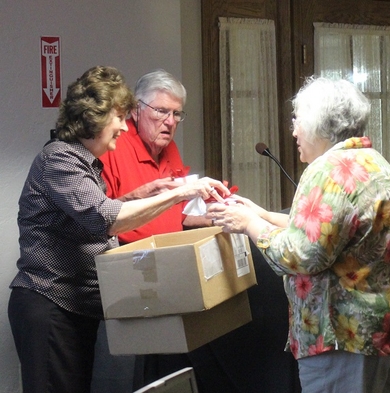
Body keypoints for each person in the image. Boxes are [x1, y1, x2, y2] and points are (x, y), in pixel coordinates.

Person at [7, 65, 229, 393]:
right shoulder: (59, 159)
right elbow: (105, 219)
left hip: (78, 309)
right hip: (50, 308)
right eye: (118, 118)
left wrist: (135, 196)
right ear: (94, 117)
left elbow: (85, 217)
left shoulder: (85, 163)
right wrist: (179, 193)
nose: (124, 128)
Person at [208, 76, 390, 393]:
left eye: (297, 121)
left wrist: (247, 224)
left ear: (317, 125)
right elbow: (340, 236)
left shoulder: (328, 170)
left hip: (346, 340)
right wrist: (262, 214)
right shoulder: (374, 163)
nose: (294, 131)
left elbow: (302, 255)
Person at [97, 69, 301, 393]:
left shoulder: (169, 149)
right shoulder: (113, 148)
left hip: (176, 268)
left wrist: (215, 215)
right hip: (135, 276)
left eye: (177, 114)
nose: (170, 122)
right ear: (137, 109)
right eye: (161, 112)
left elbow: (176, 215)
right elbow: (104, 217)